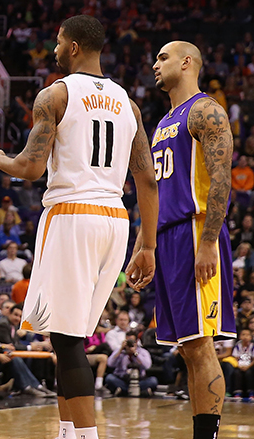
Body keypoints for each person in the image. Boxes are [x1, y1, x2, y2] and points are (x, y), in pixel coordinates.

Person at [0, 16, 158, 439]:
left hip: (72, 214)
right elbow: (148, 181)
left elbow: (31, 166)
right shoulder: (129, 104)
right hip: (115, 219)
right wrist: (147, 245)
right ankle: (66, 431)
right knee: (68, 338)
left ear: (74, 46)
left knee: (67, 338)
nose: (55, 49)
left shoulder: (56, 94)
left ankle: (86, 435)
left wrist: (0, 160)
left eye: (59, 42)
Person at [150, 40, 236, 439]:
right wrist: (145, 246)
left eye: (163, 57)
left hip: (194, 231)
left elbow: (222, 179)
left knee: (201, 345)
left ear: (187, 62)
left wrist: (208, 241)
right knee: (186, 347)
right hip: (166, 237)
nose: (155, 64)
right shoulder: (162, 123)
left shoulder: (205, 110)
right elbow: (156, 192)